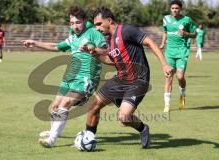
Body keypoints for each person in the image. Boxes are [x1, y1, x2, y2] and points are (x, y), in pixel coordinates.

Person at [80, 6, 172, 149]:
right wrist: (95, 54)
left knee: (124, 117)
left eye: (99, 24)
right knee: (93, 105)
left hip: (138, 80)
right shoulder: (110, 40)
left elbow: (150, 42)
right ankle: (88, 138)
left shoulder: (126, 30)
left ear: (109, 20)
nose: (97, 28)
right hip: (121, 79)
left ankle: (143, 129)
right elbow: (112, 60)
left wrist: (165, 64)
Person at [21, 6, 108, 148]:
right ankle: (53, 131)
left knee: (65, 103)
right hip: (70, 76)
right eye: (72, 23)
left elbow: (106, 50)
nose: (75, 26)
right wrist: (35, 43)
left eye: (78, 22)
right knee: (55, 106)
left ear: (85, 21)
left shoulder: (93, 33)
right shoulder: (73, 37)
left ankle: (52, 139)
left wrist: (93, 49)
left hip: (86, 78)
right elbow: (56, 46)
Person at [160, 0, 196, 112]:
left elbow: (194, 34)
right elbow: (165, 32)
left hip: (182, 52)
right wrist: (162, 43)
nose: (174, 10)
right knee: (169, 77)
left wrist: (185, 33)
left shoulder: (187, 20)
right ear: (170, 9)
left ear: (180, 9)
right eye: (173, 8)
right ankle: (167, 105)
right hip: (169, 53)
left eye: (177, 8)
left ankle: (182, 95)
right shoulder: (166, 19)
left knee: (180, 77)